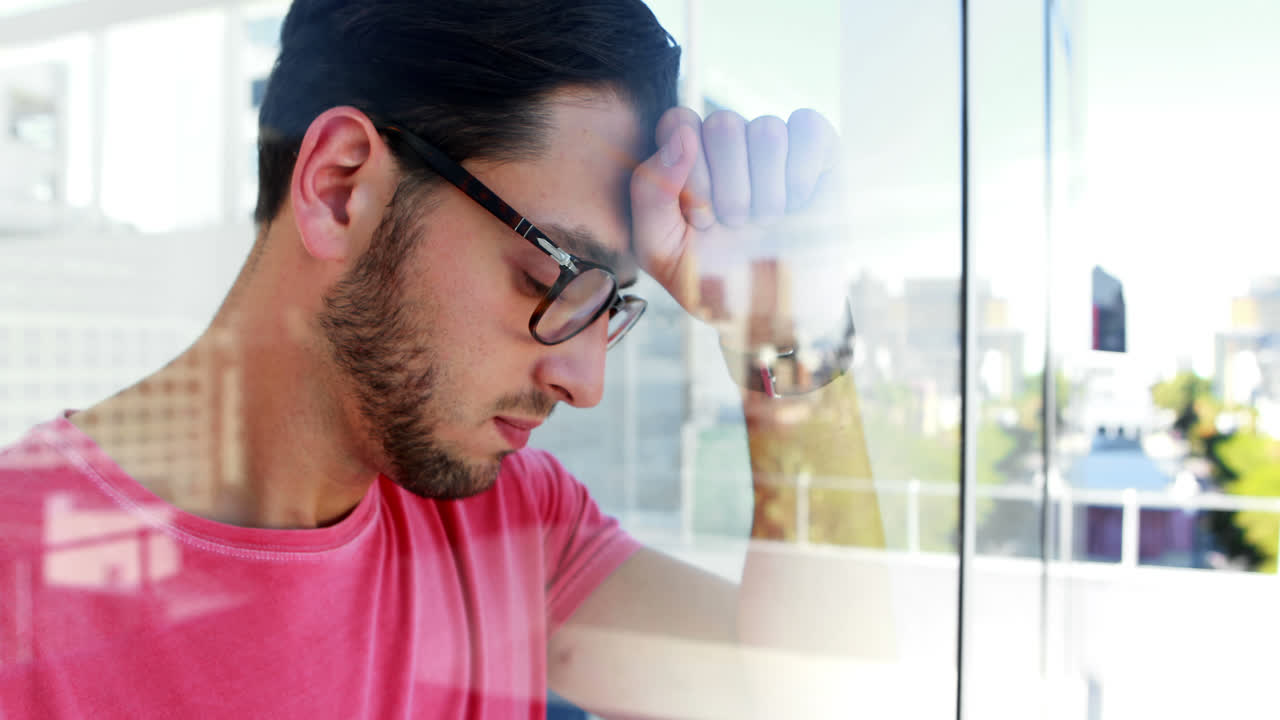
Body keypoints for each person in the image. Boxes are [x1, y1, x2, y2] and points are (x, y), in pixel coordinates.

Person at [0, 1, 889, 717]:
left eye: (608, 307)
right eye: (557, 276)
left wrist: (787, 333)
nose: (585, 384)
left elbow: (822, 698)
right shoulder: (20, 596)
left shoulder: (506, 525)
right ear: (341, 188)